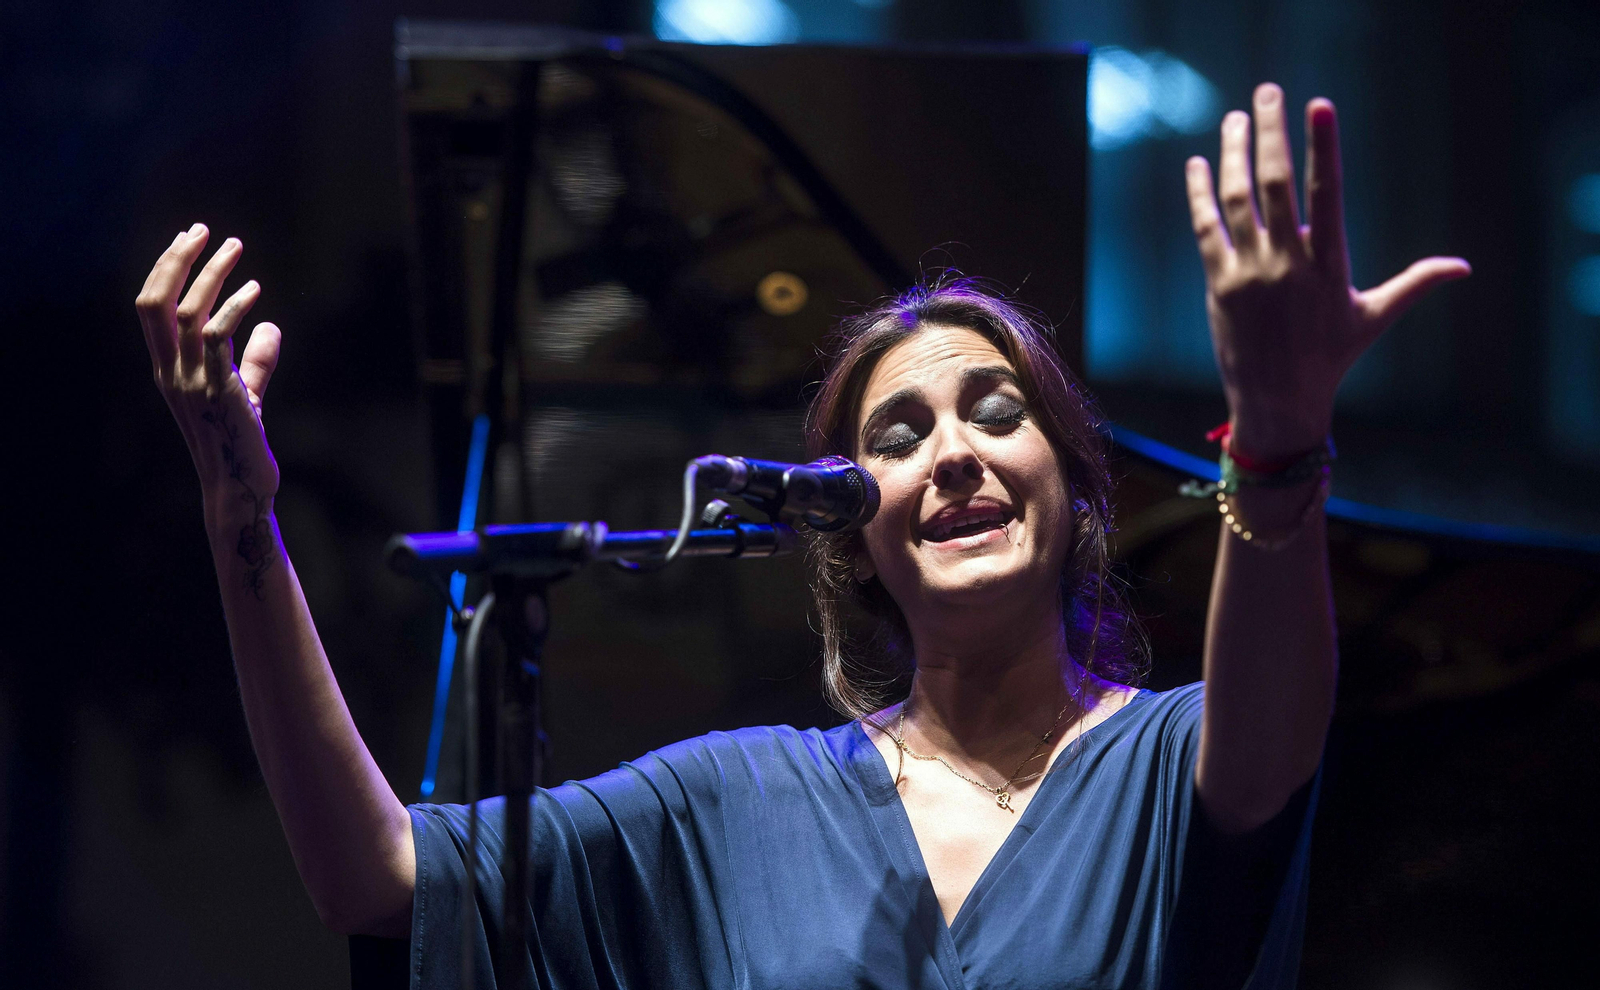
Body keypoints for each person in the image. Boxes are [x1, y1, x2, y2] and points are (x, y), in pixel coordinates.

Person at [135, 84, 1468, 988]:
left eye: (996, 412)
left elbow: (1276, 725)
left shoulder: (1173, 758)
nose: (950, 451)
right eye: (894, 438)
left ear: (1076, 487)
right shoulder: (733, 800)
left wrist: (1280, 431)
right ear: (852, 532)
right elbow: (373, 874)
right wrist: (238, 517)